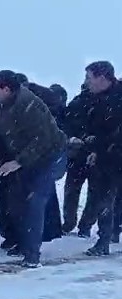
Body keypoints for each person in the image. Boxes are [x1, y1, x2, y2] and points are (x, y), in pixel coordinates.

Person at [0, 70, 68, 267]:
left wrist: (17, 162)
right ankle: (23, 242)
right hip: (28, 158)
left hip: (49, 157)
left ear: (6, 88)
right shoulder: (4, 103)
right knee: (18, 200)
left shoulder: (28, 105)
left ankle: (32, 255)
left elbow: (42, 140)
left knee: (34, 202)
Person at [78, 61, 122, 255]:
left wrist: (98, 143)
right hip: (106, 158)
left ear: (102, 78)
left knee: (108, 198)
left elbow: (115, 132)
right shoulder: (95, 97)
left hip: (115, 155)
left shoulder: (117, 99)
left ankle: (109, 236)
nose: (87, 82)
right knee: (103, 198)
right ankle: (105, 239)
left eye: (90, 78)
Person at [61, 82, 98, 236]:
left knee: (83, 192)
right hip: (81, 154)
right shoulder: (78, 102)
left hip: (92, 154)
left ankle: (79, 224)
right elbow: (67, 124)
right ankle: (78, 224)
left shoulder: (105, 102)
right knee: (80, 192)